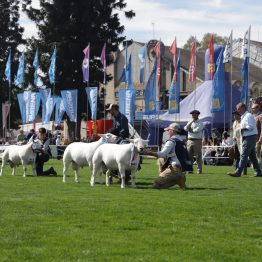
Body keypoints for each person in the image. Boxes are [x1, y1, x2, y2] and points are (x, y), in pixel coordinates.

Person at [144, 123, 189, 189]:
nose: (167, 132)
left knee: (156, 184)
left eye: (168, 130)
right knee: (160, 159)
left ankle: (177, 179)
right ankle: (179, 179)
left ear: (173, 131)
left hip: (175, 169)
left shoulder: (171, 141)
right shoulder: (181, 140)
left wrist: (148, 153)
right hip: (182, 169)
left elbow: (162, 154)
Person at [227, 103, 262, 177]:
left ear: (243, 108)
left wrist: (240, 129)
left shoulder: (248, 116)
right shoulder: (245, 116)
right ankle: (258, 172)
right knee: (252, 157)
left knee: (243, 155)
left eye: (238, 109)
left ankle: (238, 172)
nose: (237, 110)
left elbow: (251, 127)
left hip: (249, 137)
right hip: (249, 137)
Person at [184, 110, 204, 174]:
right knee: (189, 156)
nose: (193, 115)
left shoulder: (200, 122)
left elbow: (196, 131)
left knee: (198, 156)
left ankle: (199, 169)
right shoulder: (190, 121)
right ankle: (190, 169)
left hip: (197, 140)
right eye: (192, 114)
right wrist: (190, 123)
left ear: (198, 115)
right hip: (189, 140)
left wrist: (189, 129)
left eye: (194, 114)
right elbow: (185, 128)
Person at [251, 103, 262, 168]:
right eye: (252, 108)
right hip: (254, 140)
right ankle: (258, 170)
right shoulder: (252, 116)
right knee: (257, 156)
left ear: (258, 108)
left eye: (254, 108)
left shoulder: (260, 116)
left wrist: (260, 139)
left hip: (259, 140)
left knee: (259, 155)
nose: (252, 109)